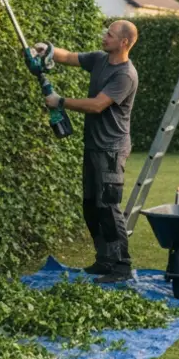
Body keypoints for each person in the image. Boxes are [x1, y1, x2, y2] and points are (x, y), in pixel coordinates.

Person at [36, 20, 140, 283]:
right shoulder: (99, 60)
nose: (104, 37)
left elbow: (97, 105)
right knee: (91, 205)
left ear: (124, 42)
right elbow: (69, 57)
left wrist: (60, 101)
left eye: (110, 34)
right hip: (93, 145)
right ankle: (104, 259)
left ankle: (122, 266)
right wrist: (47, 49)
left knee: (109, 207)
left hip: (112, 149)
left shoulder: (125, 75)